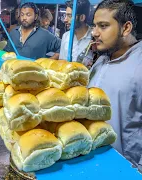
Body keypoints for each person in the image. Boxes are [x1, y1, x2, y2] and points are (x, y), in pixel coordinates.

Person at [89, 0, 142, 171]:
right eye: (94, 26)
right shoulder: (102, 60)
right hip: (93, 160)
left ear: (126, 28)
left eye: (103, 26)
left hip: (126, 169)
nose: (94, 33)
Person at [59, 0, 94, 66]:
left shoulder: (94, 38)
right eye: (65, 15)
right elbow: (62, 62)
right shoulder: (66, 36)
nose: (65, 20)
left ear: (82, 17)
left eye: (69, 16)